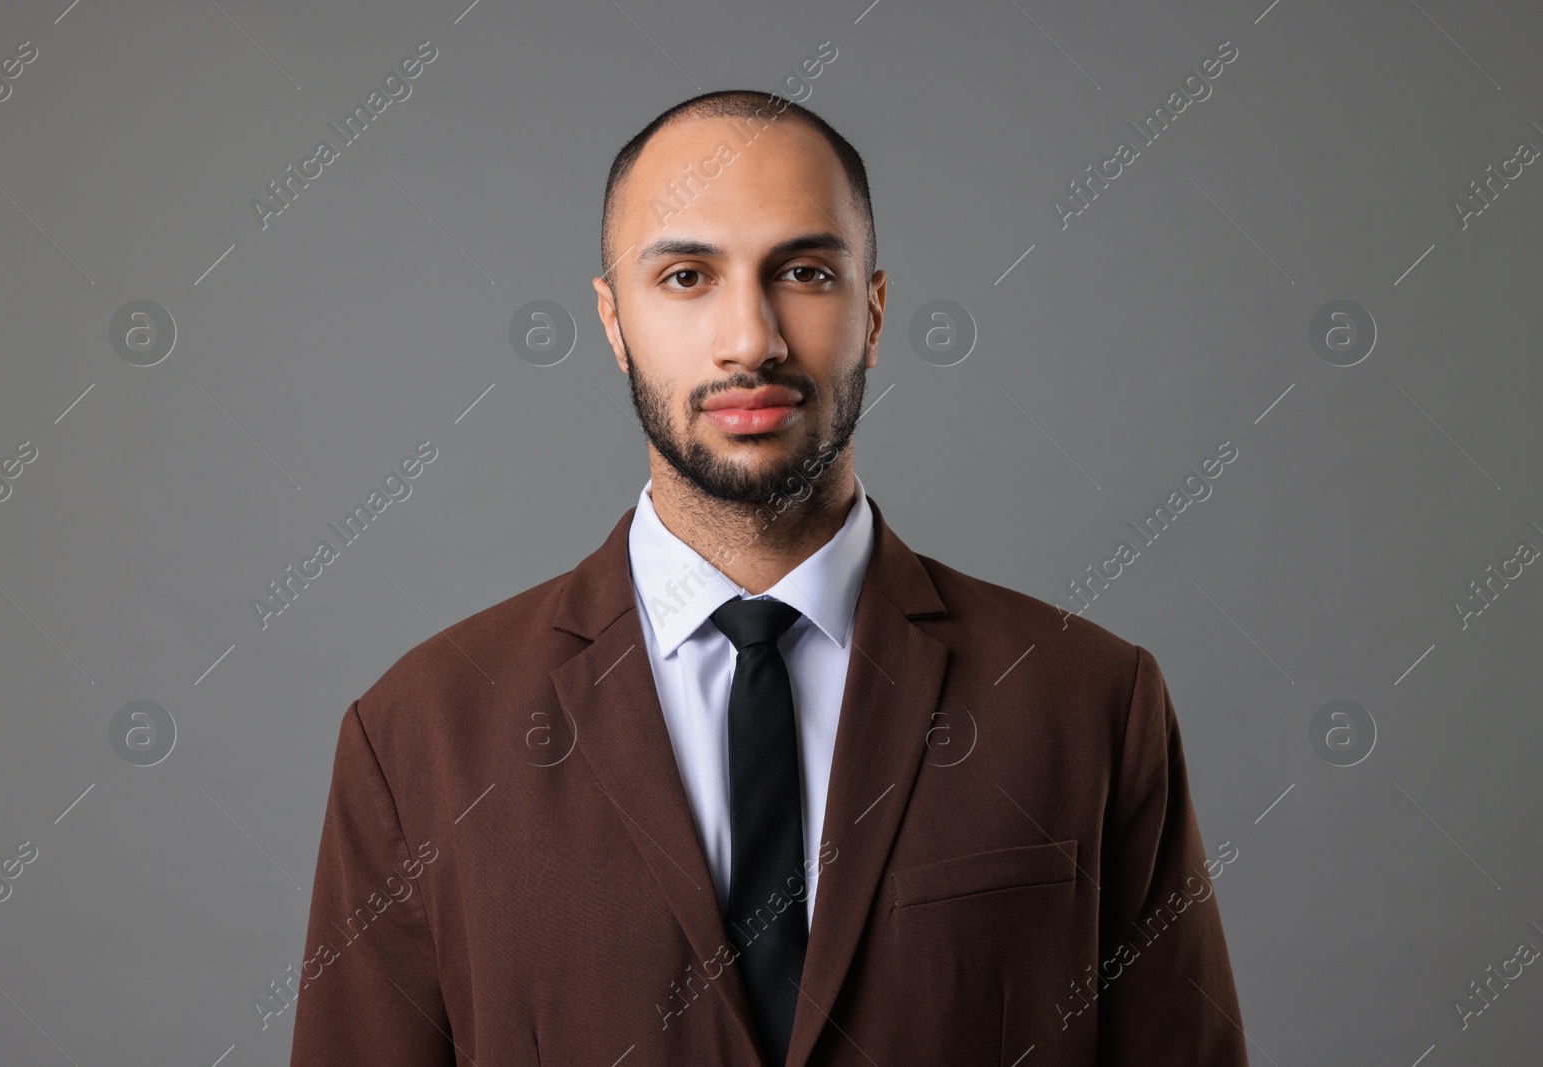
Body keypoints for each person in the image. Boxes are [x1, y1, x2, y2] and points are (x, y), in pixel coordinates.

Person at [289, 89, 1249, 1067]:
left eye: (802, 270)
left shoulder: (1086, 699)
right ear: (613, 322)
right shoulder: (420, 734)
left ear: (871, 312)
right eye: (686, 275)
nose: (751, 338)